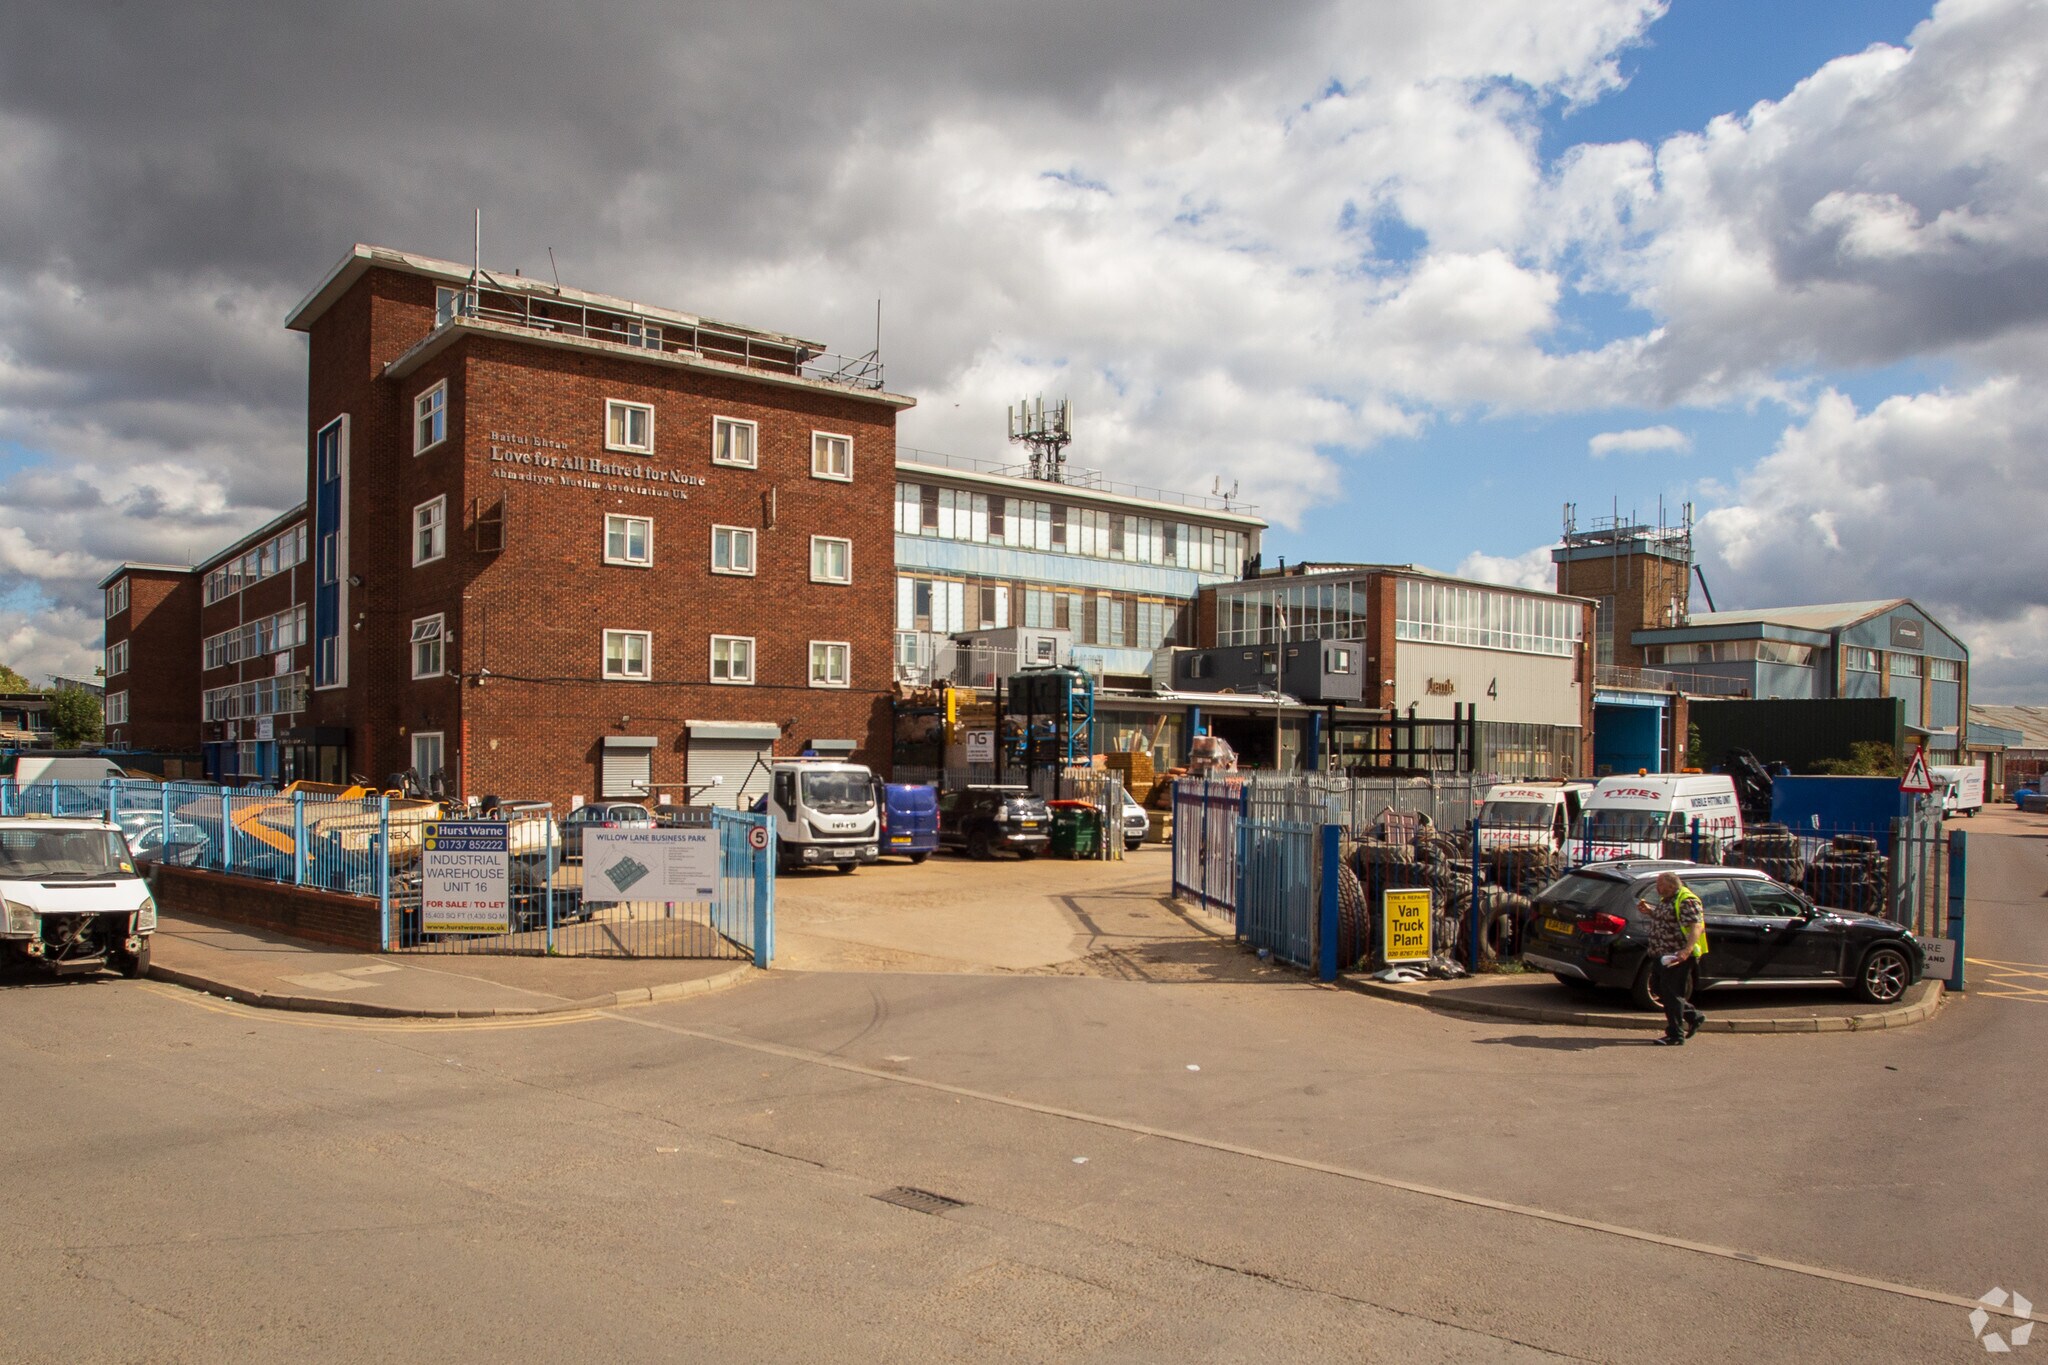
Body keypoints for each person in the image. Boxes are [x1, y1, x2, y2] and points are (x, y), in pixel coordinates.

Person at [1639, 871, 1707, 1045]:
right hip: (1661, 954)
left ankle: (1675, 1034)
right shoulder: (1668, 899)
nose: (1657, 888)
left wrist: (1686, 950)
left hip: (1677, 956)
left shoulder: (1686, 900)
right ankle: (1694, 1016)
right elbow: (1668, 919)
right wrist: (1650, 912)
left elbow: (1696, 926)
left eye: (1660, 884)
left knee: (1672, 994)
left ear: (1671, 885)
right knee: (1657, 989)